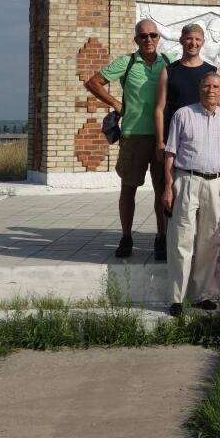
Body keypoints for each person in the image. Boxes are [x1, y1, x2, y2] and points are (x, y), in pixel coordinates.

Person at [83, 19, 171, 259]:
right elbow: (94, 82)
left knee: (162, 189)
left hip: (162, 136)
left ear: (158, 38)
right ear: (136, 40)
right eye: (143, 36)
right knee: (128, 188)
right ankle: (126, 236)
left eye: (153, 35)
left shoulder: (168, 62)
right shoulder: (128, 62)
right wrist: (116, 104)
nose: (149, 40)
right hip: (133, 135)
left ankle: (161, 237)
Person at [162, 73, 220, 315]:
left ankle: (201, 294)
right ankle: (176, 297)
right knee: (181, 240)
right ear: (199, 88)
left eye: (216, 86)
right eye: (206, 85)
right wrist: (167, 187)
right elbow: (170, 153)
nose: (210, 90)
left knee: (209, 241)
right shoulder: (183, 114)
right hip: (187, 180)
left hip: (216, 185)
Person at [152, 23, 217, 261]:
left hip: (202, 145)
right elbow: (159, 109)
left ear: (203, 42)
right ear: (181, 41)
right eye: (189, 39)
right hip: (174, 141)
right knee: (168, 191)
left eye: (197, 39)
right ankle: (164, 237)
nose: (193, 43)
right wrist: (160, 142)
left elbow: (218, 109)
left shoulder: (212, 71)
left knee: (196, 198)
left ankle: (196, 245)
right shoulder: (170, 71)